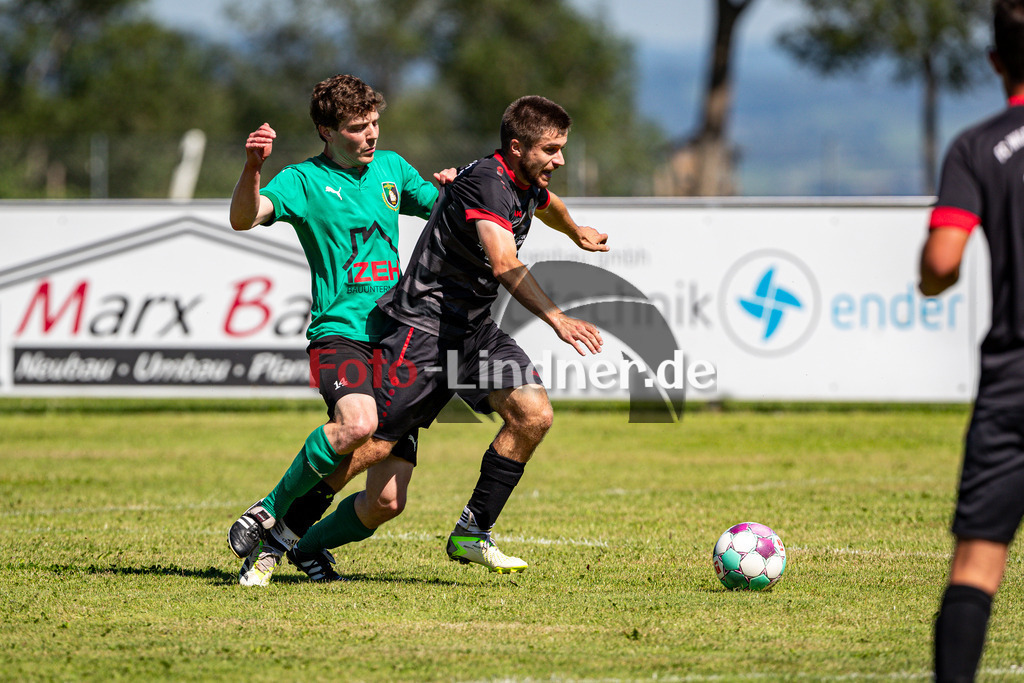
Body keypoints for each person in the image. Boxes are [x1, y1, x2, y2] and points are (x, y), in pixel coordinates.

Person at [286, 95, 609, 576]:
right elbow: (504, 263)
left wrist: (575, 230)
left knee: (533, 415)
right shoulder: (488, 185)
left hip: (473, 332)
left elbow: (547, 204)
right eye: (551, 150)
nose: (559, 159)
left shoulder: (525, 181)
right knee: (372, 445)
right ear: (518, 147)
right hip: (425, 333)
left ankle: (473, 532)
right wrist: (558, 319)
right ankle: (281, 526)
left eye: (562, 148)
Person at [225, 74, 454, 586]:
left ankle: (303, 547)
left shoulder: (392, 168)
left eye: (375, 123)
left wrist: (450, 187)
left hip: (400, 339)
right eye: (357, 128)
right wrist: (252, 169)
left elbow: (441, 210)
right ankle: (267, 510)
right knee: (357, 425)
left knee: (388, 501)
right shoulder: (301, 181)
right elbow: (244, 218)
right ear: (326, 132)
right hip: (341, 333)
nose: (371, 135)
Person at [920, 1, 1024, 678]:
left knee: (978, 561)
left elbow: (942, 262)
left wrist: (930, 282)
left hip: (1015, 378)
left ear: (994, 61)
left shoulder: (977, 146)